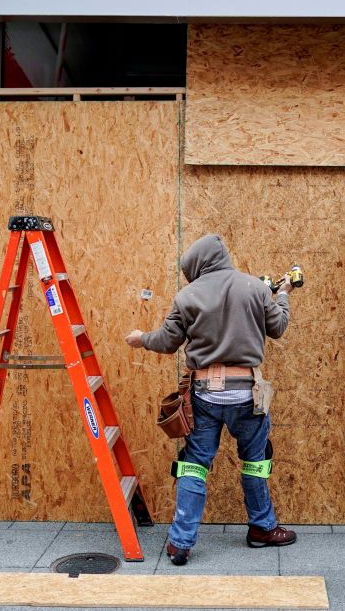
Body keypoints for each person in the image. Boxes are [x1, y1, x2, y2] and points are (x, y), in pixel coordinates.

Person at [125, 233, 298, 566]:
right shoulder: (255, 288)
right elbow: (279, 327)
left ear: (197, 266)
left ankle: (180, 543)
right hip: (247, 394)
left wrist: (140, 339)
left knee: (195, 463)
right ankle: (262, 529)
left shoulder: (187, 296)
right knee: (255, 460)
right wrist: (284, 295)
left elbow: (166, 341)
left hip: (204, 394)